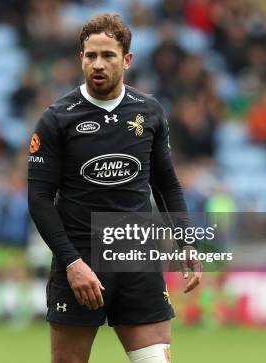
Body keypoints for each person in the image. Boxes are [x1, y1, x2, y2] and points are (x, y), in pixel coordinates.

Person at [27, 14, 202, 363]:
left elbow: (166, 182)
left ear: (127, 59)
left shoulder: (148, 111)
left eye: (107, 55)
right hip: (80, 262)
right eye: (90, 55)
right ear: (81, 58)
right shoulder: (57, 118)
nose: (98, 64)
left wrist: (186, 239)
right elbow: (39, 199)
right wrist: (71, 262)